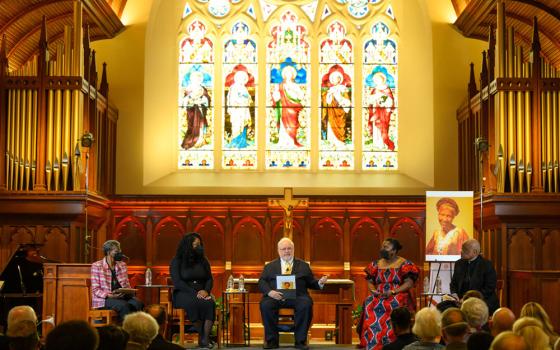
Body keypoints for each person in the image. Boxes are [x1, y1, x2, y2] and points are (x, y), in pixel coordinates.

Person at [258, 237, 328, 350]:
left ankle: (300, 341)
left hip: (298, 297)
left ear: (293, 249)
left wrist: (319, 283)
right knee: (265, 305)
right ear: (278, 250)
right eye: (283, 249)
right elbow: (261, 282)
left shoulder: (303, 265)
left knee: (306, 304)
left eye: (289, 248)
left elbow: (311, 283)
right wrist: (270, 292)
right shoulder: (270, 266)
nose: (286, 251)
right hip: (275, 297)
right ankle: (271, 341)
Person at [359, 238, 419, 349]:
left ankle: (391, 342)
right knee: (369, 302)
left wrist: (393, 291)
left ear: (394, 250)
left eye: (386, 247)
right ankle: (373, 342)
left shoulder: (404, 264)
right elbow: (370, 282)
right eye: (382, 246)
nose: (382, 249)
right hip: (379, 295)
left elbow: (409, 283)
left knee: (394, 303)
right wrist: (373, 291)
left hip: (397, 293)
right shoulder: (376, 264)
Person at [170, 233, 215, 349]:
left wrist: (206, 291)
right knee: (193, 302)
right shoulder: (177, 261)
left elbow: (209, 278)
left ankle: (204, 339)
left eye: (200, 245)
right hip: (183, 292)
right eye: (195, 245)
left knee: (210, 303)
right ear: (187, 246)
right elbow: (178, 282)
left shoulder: (203, 261)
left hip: (202, 291)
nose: (198, 247)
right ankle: (204, 337)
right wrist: (194, 293)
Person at [91, 240, 143, 321]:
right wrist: (109, 295)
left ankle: (136, 329)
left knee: (138, 303)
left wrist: (128, 291)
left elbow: (126, 284)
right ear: (108, 252)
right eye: (116, 251)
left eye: (119, 250)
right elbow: (95, 289)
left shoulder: (122, 265)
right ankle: (125, 331)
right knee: (124, 306)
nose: (119, 253)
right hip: (105, 299)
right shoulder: (97, 266)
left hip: (121, 296)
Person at [450, 239, 499, 313]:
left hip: (481, 301)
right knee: (443, 307)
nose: (461, 252)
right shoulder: (458, 264)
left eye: (465, 250)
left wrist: (469, 299)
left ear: (475, 252)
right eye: (462, 249)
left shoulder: (486, 265)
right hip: (460, 301)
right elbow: (453, 283)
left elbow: (489, 288)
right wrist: (454, 295)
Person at [271, 65, 305, 147]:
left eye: (290, 73)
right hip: (284, 108)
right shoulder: (280, 85)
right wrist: (276, 93)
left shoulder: (295, 85)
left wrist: (293, 90)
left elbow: (301, 96)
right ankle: (283, 141)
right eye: (286, 73)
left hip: (293, 108)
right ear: (284, 75)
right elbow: (276, 97)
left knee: (292, 125)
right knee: (283, 125)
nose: (288, 75)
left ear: (293, 75)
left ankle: (292, 141)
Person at [321, 67, 351, 147]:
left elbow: (347, 101)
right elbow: (327, 102)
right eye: (333, 79)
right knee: (331, 125)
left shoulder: (343, 89)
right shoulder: (330, 89)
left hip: (340, 111)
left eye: (336, 78)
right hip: (331, 111)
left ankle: (340, 142)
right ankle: (332, 142)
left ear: (339, 79)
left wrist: (340, 99)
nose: (334, 80)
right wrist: (329, 95)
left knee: (340, 126)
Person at [181, 70, 211, 150]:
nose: (197, 80)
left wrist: (203, 101)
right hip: (192, 111)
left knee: (201, 125)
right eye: (195, 79)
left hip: (201, 110)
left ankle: (200, 141)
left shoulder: (203, 89)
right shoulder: (189, 88)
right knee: (192, 126)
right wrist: (191, 101)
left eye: (199, 79)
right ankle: (193, 141)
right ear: (192, 79)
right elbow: (185, 100)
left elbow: (207, 99)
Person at [366, 71, 395, 151]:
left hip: (384, 112)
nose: (377, 81)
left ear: (383, 80)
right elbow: (369, 100)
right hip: (375, 110)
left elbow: (390, 100)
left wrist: (384, 100)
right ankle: (376, 143)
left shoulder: (387, 89)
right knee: (376, 127)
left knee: (383, 127)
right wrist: (375, 97)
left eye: (378, 79)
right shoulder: (375, 90)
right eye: (376, 80)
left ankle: (382, 143)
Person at [226, 69, 253, 149]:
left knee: (244, 124)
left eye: (244, 79)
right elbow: (232, 99)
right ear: (237, 78)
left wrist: (247, 100)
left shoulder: (244, 88)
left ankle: (242, 142)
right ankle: (235, 142)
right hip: (236, 110)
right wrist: (241, 100)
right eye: (241, 78)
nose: (242, 80)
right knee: (236, 125)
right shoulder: (233, 87)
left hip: (244, 110)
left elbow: (249, 99)